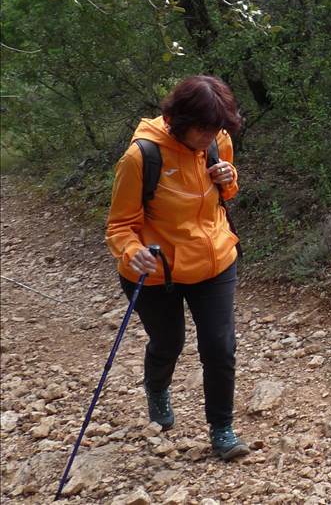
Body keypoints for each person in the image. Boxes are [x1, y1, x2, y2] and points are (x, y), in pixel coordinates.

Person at [105, 74, 250, 460]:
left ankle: (222, 429)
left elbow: (223, 194)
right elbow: (119, 225)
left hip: (214, 261)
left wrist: (228, 179)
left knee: (220, 347)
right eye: (203, 129)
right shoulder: (142, 157)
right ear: (179, 121)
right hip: (157, 273)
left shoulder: (218, 141)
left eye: (217, 129)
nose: (211, 137)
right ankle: (156, 388)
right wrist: (129, 250)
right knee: (169, 343)